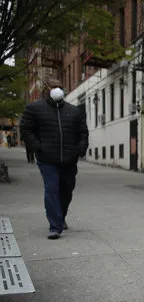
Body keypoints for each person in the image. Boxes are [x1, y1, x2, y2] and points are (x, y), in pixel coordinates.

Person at [20, 78, 88, 240]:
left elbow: (83, 132)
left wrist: (80, 149)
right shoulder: (34, 109)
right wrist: (38, 147)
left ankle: (60, 217)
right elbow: (26, 130)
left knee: (67, 190)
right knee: (52, 189)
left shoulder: (74, 111)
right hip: (47, 159)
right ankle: (55, 226)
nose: (58, 90)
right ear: (46, 90)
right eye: (54, 87)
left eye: (60, 87)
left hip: (69, 159)